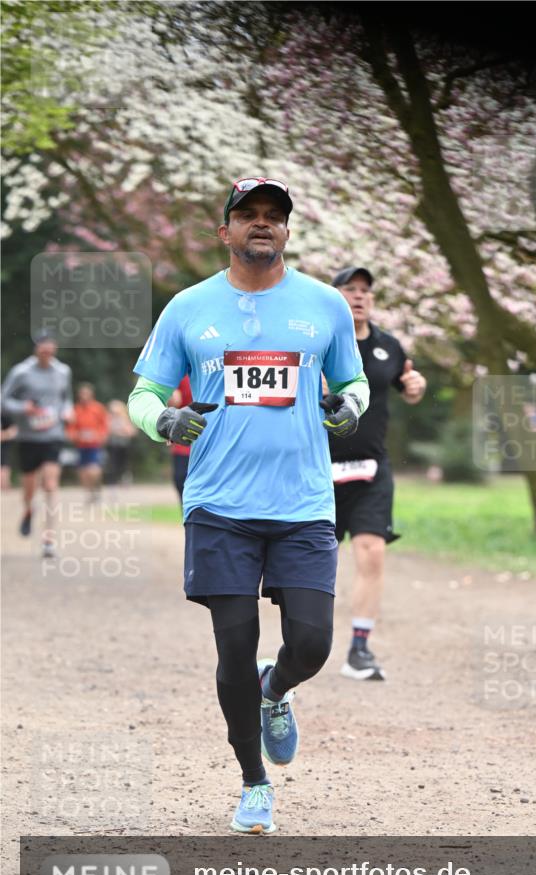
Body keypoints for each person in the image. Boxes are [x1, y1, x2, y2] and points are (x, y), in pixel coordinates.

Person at [128, 176, 368, 834]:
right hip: (219, 505)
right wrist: (164, 421)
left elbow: (354, 385)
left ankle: (277, 689)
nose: (262, 224)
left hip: (302, 504)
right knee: (233, 647)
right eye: (248, 215)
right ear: (224, 232)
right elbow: (143, 394)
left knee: (314, 644)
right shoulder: (187, 308)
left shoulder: (323, 306)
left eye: (274, 216)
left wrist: (347, 409)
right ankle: (253, 782)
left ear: (287, 231)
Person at [330, 266, 427, 681]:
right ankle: (303, 642)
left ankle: (359, 649)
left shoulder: (389, 345)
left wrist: (416, 386)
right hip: (320, 470)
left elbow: (409, 383)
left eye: (366, 290)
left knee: (372, 552)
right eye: (350, 289)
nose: (359, 296)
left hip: (372, 468)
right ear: (334, 296)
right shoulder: (321, 343)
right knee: (315, 562)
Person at [1, 333, 73, 557]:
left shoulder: (63, 371)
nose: (47, 352)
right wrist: (24, 408)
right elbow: (3, 400)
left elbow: (66, 397)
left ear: (55, 349)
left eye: (51, 349)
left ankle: (48, 539)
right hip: (28, 437)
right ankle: (28, 509)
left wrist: (67, 410)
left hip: (53, 435)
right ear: (36, 349)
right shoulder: (21, 372)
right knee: (29, 488)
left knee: (51, 485)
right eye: (43, 348)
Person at [67, 383, 110, 502]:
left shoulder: (98, 408)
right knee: (82, 471)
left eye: (86, 394)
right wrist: (74, 435)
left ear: (91, 395)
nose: (84, 396)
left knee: (93, 469)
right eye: (82, 394)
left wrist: (101, 435)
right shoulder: (75, 409)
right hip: (80, 444)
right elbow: (71, 427)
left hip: (94, 444)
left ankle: (96, 488)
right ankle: (90, 493)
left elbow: (104, 425)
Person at [166, 375, 193, 505]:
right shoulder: (180, 374)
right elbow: (174, 401)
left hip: (209, 438)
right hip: (184, 438)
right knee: (181, 479)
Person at [105, 400, 137, 486]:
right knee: (113, 463)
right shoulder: (108, 418)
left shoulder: (125, 418)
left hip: (124, 445)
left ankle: (124, 480)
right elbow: (107, 430)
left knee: (124, 464)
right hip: (112, 445)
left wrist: (120, 431)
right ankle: (113, 481)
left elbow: (131, 432)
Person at [1, 414, 17, 490]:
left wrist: (4, 435)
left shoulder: (5, 416)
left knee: (4, 468)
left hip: (4, 447)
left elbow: (14, 430)